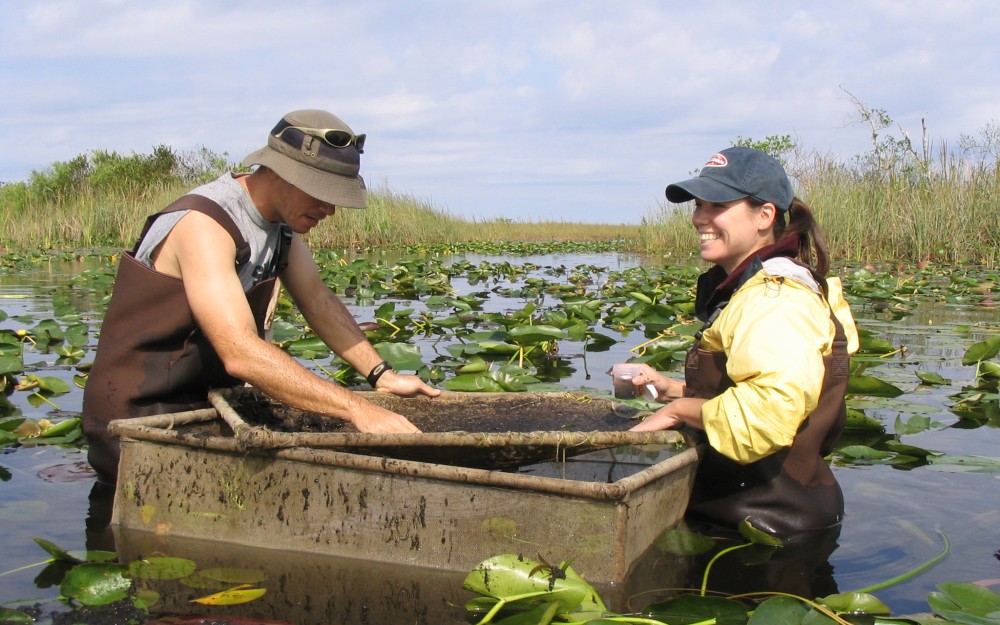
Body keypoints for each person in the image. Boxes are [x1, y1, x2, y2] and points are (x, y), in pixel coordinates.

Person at [82, 109, 440, 483]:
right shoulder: (206, 225)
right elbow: (239, 352)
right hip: (136, 418)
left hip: (209, 403)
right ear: (278, 172)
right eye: (321, 192)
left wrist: (380, 374)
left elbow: (318, 300)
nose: (330, 209)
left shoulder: (282, 230)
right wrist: (355, 408)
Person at [621, 147, 859, 536]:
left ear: (764, 216)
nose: (699, 217)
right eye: (699, 205)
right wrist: (671, 390)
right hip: (759, 514)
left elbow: (766, 414)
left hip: (767, 528)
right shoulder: (760, 286)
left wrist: (680, 410)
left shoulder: (776, 298)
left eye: (717, 205)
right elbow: (773, 390)